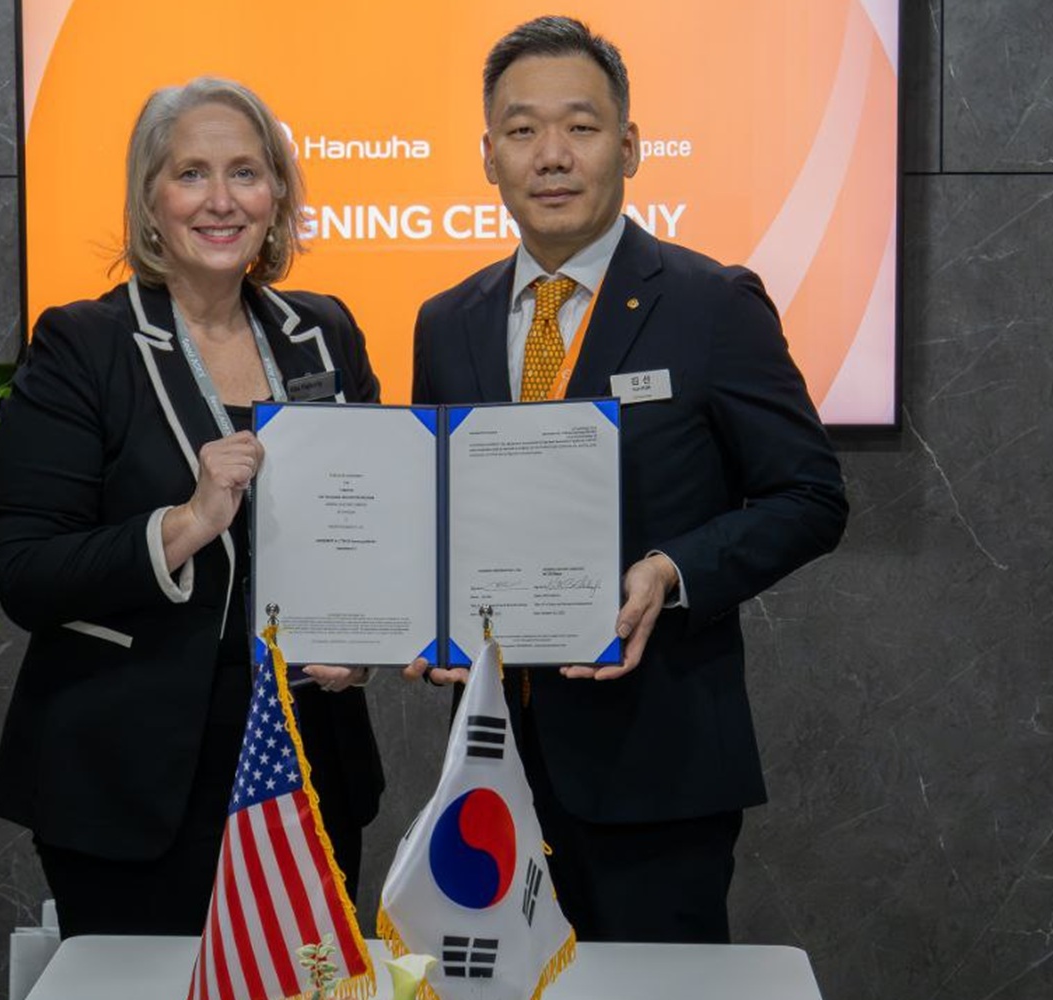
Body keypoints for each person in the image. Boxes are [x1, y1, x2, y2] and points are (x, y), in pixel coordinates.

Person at [406, 16, 847, 943]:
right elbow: (439, 514)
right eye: (521, 130)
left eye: (581, 126)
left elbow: (809, 497)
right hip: (489, 771)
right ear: (488, 157)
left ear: (630, 146)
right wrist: (417, 610)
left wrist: (670, 571)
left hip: (658, 767)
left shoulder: (712, 304)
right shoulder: (446, 322)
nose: (551, 155)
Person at [0, 77, 384, 938]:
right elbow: (26, 574)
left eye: (245, 172)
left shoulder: (323, 333)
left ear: (277, 195)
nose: (220, 200)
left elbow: (373, 530)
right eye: (191, 174)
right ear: (150, 199)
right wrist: (189, 522)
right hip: (130, 774)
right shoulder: (82, 345)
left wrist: (366, 643)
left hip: (307, 763)